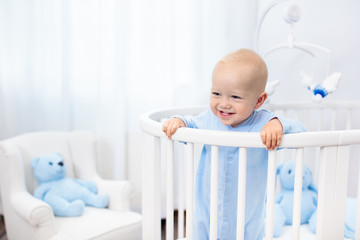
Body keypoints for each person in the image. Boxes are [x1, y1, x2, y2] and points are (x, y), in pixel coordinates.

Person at [162, 48, 306, 240]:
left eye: (235, 97)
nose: (224, 104)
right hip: (207, 210)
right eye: (216, 93)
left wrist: (278, 123)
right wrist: (178, 121)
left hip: (248, 214)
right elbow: (190, 123)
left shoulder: (265, 124)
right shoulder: (209, 119)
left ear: (259, 100)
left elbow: (301, 132)